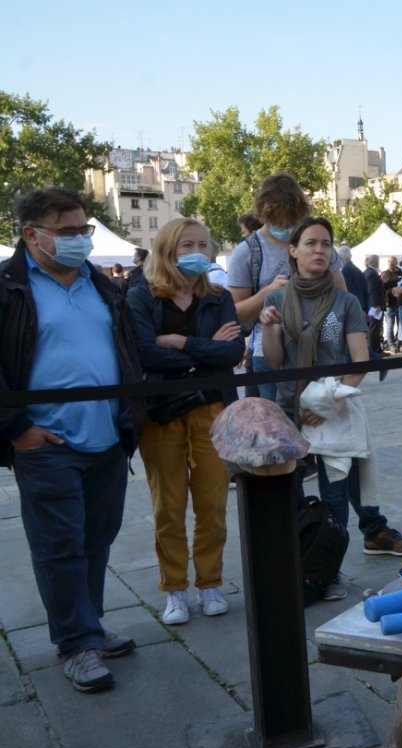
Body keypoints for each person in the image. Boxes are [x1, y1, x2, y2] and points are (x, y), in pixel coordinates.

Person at [0, 187, 144, 693]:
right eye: (67, 232)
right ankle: (76, 644)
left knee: (96, 540)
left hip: (106, 436)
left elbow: (127, 348)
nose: (80, 239)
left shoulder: (101, 285)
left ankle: (91, 625)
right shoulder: (8, 287)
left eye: (83, 230)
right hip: (46, 443)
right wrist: (18, 429)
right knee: (59, 546)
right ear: (31, 234)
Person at [259, 217, 402, 567]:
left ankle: (329, 568)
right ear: (293, 250)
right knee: (295, 495)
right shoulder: (275, 298)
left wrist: (330, 405)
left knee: (334, 495)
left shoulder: (344, 301)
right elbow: (274, 363)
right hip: (290, 410)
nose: (319, 250)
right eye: (310, 243)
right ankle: (302, 564)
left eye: (325, 243)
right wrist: (269, 328)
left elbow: (359, 360)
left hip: (333, 412)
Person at [126, 218, 244, 626]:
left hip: (212, 410)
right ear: (167, 249)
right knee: (168, 507)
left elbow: (233, 355)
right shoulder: (141, 296)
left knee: (213, 503)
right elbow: (143, 352)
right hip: (161, 412)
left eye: (203, 244)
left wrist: (180, 343)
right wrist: (208, 350)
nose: (197, 251)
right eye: (186, 244)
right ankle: (174, 589)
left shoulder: (218, 297)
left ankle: (209, 582)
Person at [228, 174, 317, 403]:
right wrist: (267, 294)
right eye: (279, 222)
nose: (286, 228)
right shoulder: (247, 252)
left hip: (317, 349)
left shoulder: (314, 241)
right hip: (268, 353)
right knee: (280, 430)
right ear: (264, 214)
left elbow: (341, 295)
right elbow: (235, 314)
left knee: (319, 429)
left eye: (292, 221)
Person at [363, 254, 386, 357]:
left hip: (372, 305)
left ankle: (375, 349)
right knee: (375, 327)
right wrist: (376, 305)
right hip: (375, 305)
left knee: (374, 327)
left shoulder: (368, 272)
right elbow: (372, 290)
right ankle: (374, 350)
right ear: (376, 261)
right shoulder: (372, 273)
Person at [383, 256, 402, 352]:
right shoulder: (385, 273)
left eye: (392, 261)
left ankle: (399, 343)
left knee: (400, 325)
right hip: (389, 304)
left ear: (396, 262)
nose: (390, 263)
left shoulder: (401, 273)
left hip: (399, 303)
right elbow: (381, 287)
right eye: (389, 261)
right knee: (390, 325)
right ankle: (391, 345)